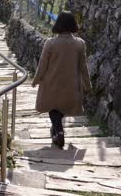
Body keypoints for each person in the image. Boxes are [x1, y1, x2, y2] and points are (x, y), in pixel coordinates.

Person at [31, 12, 92, 149]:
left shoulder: (50, 43)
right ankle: (57, 131)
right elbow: (83, 67)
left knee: (53, 107)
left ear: (58, 24)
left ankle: (58, 131)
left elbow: (42, 65)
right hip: (71, 85)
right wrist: (88, 85)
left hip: (51, 83)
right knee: (62, 107)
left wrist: (36, 80)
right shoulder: (80, 44)